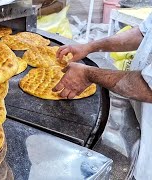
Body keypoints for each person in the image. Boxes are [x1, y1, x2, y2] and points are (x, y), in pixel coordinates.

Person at [54, 13, 152, 179]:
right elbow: (143, 34)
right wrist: (89, 47)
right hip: (141, 120)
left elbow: (147, 87)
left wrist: (88, 74)